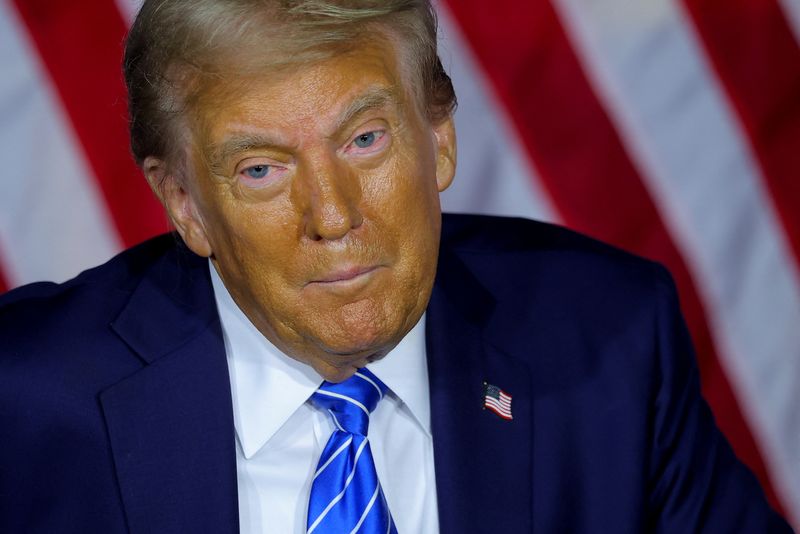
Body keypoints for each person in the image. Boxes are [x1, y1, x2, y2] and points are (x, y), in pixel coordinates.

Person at [0, 0, 793, 532]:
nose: (335, 216)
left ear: (439, 137)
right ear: (184, 204)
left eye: (365, 140)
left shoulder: (608, 342)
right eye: (261, 170)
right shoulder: (29, 402)